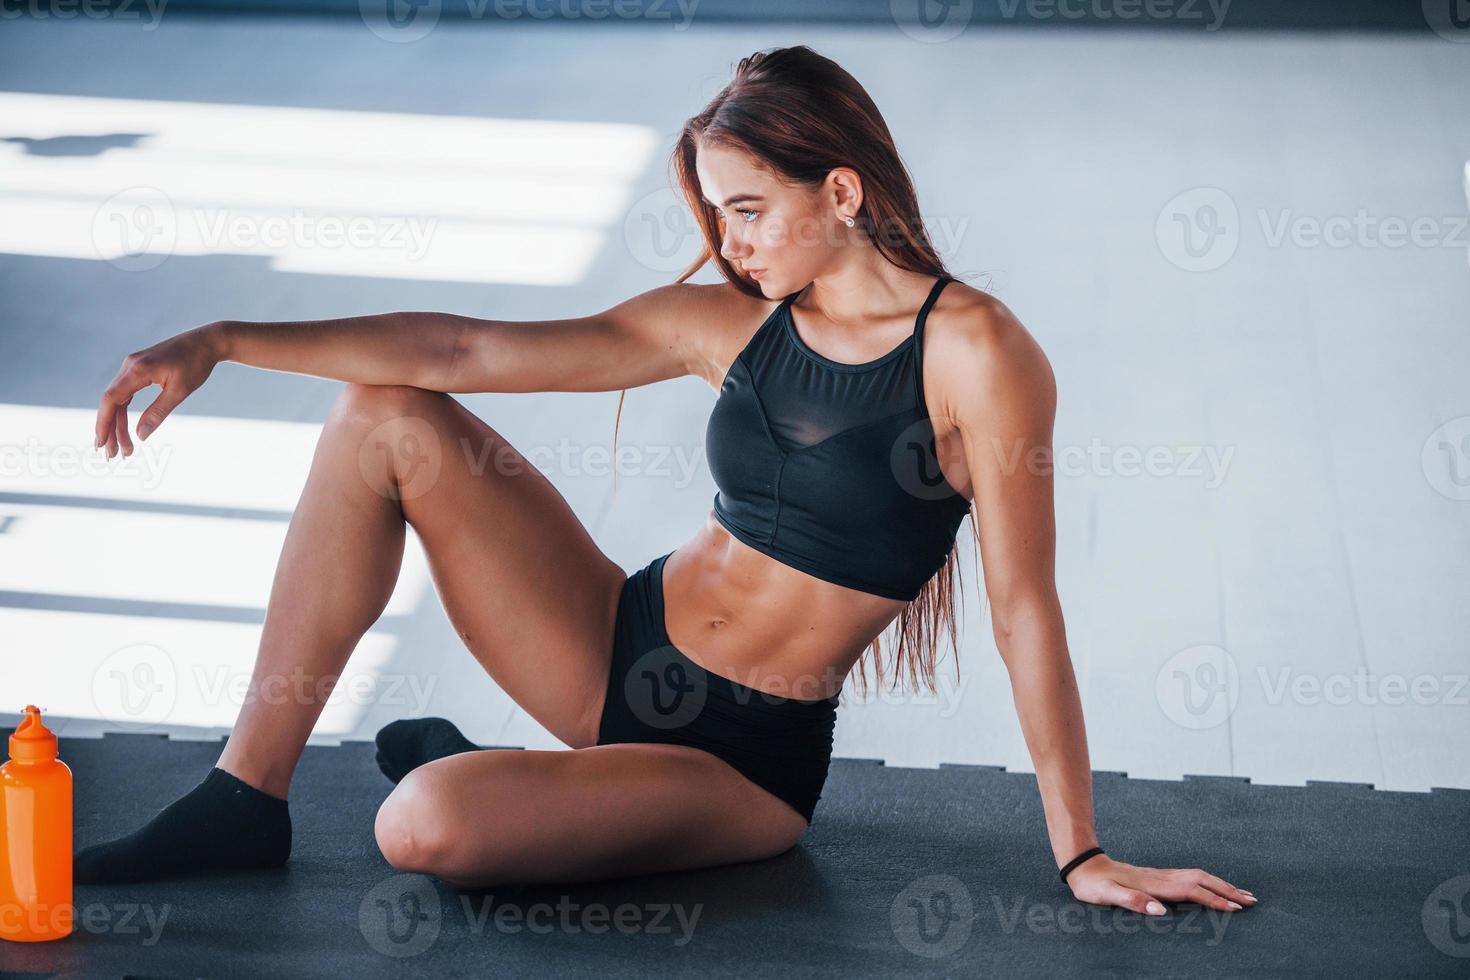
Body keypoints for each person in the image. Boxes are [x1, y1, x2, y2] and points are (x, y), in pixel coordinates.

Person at [76, 44, 1254, 918]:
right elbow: (460, 353)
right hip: (608, 640)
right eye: (718, 212)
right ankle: (245, 794)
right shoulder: (730, 326)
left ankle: (468, 765)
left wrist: (1079, 850)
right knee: (383, 414)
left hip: (736, 760)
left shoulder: (978, 354)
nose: (730, 242)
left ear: (839, 194)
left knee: (420, 821)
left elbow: (1024, 607)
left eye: (750, 210)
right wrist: (222, 337)